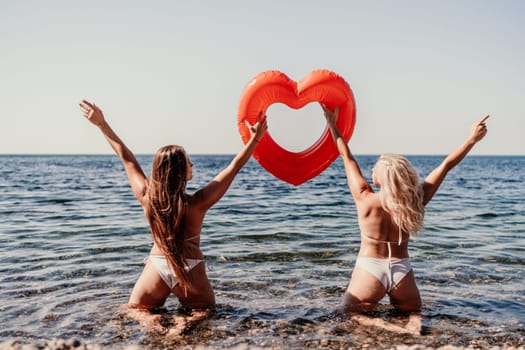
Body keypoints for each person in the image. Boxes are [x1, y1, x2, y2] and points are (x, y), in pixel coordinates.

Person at [79, 100, 267, 333]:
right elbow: (234, 167)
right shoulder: (198, 203)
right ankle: (183, 324)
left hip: (157, 267)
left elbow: (126, 157)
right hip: (190, 270)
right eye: (189, 161)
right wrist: (255, 140)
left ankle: (154, 324)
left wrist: (102, 124)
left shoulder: (147, 197)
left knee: (136, 310)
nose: (192, 164)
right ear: (182, 171)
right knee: (205, 311)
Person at [322, 103, 488, 331]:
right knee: (413, 312)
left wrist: (332, 123)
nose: (372, 172)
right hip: (402, 269)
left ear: (383, 177)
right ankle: (414, 326)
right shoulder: (415, 200)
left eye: (376, 169)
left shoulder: (365, 198)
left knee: (348, 313)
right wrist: (472, 140)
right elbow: (446, 165)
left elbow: (346, 157)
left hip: (370, 268)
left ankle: (382, 324)